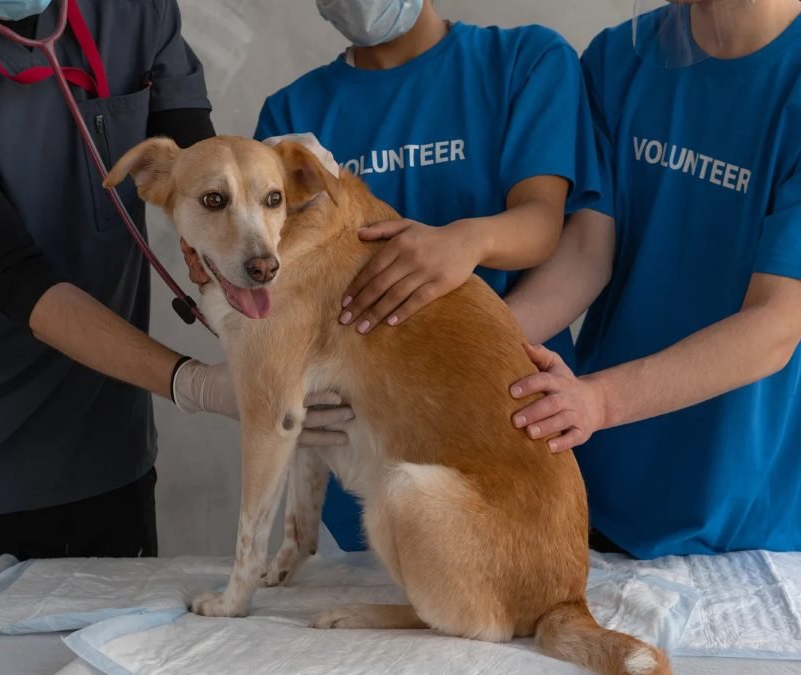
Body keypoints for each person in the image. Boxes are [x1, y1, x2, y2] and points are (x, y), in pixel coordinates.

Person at [0, 0, 343, 561]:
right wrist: (193, 383)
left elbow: (194, 158)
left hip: (106, 460)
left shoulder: (132, 12)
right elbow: (8, 272)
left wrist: (234, 219)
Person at [178, 0, 602, 551]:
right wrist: (214, 265)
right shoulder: (292, 118)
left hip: (493, 430)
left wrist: (468, 241)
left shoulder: (523, 60)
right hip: (357, 471)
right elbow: (273, 290)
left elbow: (544, 225)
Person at [504, 0, 801, 559]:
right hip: (590, 486)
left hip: (732, 520)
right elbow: (587, 254)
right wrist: (463, 346)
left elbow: (773, 325)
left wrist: (599, 403)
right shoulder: (621, 58)